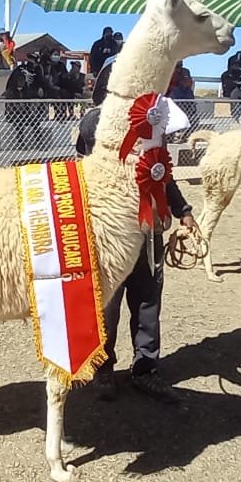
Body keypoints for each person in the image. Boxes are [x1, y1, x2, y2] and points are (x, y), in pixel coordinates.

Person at [74, 103, 191, 403]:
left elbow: (162, 175)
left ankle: (146, 368)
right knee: (107, 306)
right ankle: (102, 368)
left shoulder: (152, 128)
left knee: (148, 301)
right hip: (110, 234)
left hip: (149, 233)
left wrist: (183, 210)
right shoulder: (95, 122)